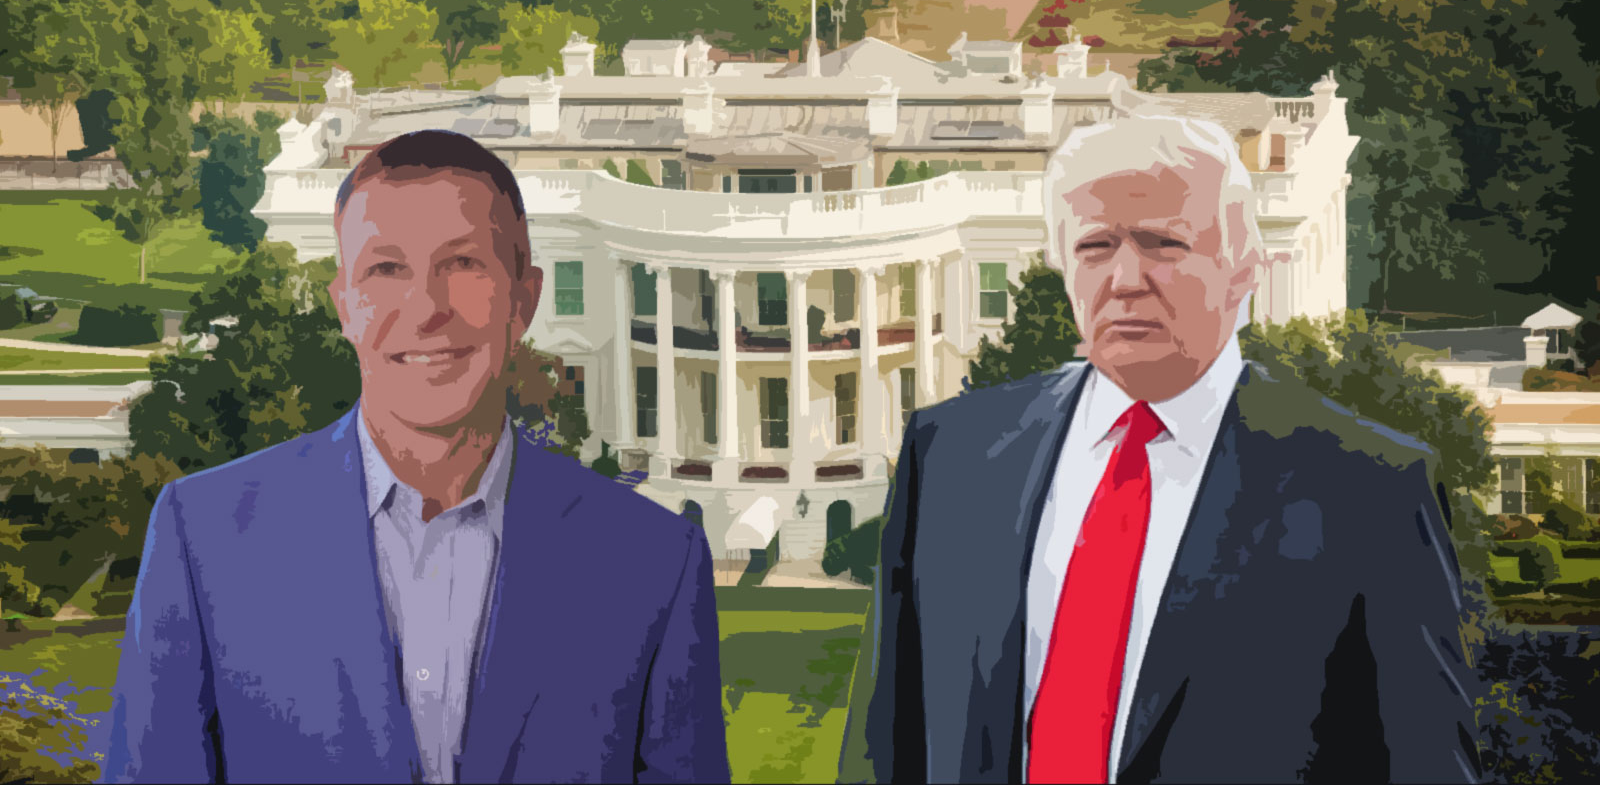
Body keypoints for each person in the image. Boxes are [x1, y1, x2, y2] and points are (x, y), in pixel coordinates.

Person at [839, 115, 1480, 783]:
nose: (1123, 278)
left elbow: (1424, 763)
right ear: (1064, 270)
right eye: (1095, 246)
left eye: (1162, 244)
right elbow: (885, 745)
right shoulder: (952, 456)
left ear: (1245, 271)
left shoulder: (1367, 490)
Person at [102, 130, 730, 784]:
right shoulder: (205, 537)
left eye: (462, 264)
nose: (427, 309)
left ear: (524, 299)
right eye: (386, 269)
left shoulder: (653, 561)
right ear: (344, 304)